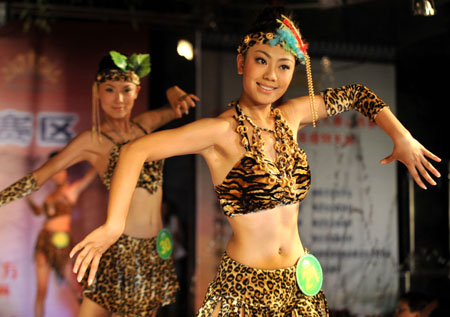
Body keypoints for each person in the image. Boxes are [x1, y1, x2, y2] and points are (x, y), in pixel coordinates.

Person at [70, 8, 441, 317]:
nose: (271, 75)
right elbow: (136, 151)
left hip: (300, 285)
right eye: (261, 61)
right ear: (241, 62)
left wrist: (402, 137)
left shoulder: (293, 115)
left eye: (283, 66)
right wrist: (113, 226)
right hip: (244, 290)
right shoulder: (219, 131)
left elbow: (358, 94)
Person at [0, 51, 198, 316]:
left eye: (126, 90)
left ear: (137, 91)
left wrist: (174, 92)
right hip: (123, 246)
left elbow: (175, 109)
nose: (119, 99)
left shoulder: (144, 126)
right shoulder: (91, 141)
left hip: (155, 248)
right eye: (109, 89)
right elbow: (40, 177)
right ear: (97, 92)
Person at [25, 151, 96, 317]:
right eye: (53, 173)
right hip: (44, 240)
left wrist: (96, 157)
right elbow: (38, 212)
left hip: (61, 242)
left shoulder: (71, 190)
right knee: (41, 290)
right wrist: (28, 199)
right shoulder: (50, 196)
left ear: (65, 171)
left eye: (59, 171)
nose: (56, 176)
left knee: (75, 288)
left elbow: (89, 178)